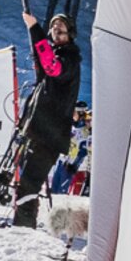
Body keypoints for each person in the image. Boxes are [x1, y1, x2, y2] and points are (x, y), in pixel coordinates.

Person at [15, 13, 83, 227]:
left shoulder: (69, 58)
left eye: (61, 27)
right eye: (53, 27)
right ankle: (23, 225)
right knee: (26, 183)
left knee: (29, 184)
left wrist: (36, 28)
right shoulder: (58, 55)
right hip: (38, 131)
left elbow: (52, 67)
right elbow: (42, 61)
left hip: (48, 135)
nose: (56, 29)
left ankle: (22, 229)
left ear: (70, 33)